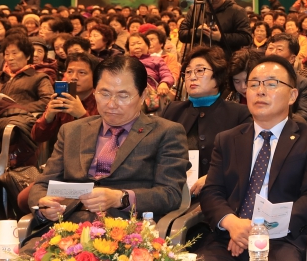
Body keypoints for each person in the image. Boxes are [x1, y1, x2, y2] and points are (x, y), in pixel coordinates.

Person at [26, 55, 189, 242]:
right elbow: (42, 185)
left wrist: (120, 198)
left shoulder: (166, 132)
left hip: (127, 233)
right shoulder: (72, 130)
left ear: (143, 95)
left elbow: (170, 194)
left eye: (123, 95)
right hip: (66, 229)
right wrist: (43, 204)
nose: (111, 104)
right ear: (94, 92)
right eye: (104, 94)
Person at [197, 56, 307, 261]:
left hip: (282, 240)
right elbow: (212, 191)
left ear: (293, 95)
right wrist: (233, 224)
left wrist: (260, 229)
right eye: (253, 84)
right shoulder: (227, 139)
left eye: (271, 84)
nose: (260, 91)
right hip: (229, 238)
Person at [160, 47, 252, 196]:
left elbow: (245, 160)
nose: (192, 77)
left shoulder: (239, 114)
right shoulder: (172, 110)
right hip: (173, 193)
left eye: (200, 70)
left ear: (218, 75)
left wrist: (214, 177)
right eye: (188, 72)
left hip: (220, 194)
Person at [177, 0, 253, 63]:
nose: (210, 4)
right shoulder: (196, 8)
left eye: (215, 2)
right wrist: (196, 32)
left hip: (226, 62)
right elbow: (182, 34)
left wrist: (221, 37)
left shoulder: (237, 11)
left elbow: (246, 38)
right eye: (208, 0)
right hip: (199, 61)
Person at [0, 34, 54, 115]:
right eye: (7, 54)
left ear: (28, 56)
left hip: (21, 118)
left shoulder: (39, 78)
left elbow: (48, 100)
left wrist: (17, 108)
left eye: (14, 53)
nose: (10, 58)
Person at [263, 34, 307, 124]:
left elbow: (304, 117)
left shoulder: (303, 83)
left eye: (279, 49)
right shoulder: (257, 79)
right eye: (270, 48)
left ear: (292, 59)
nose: (273, 53)